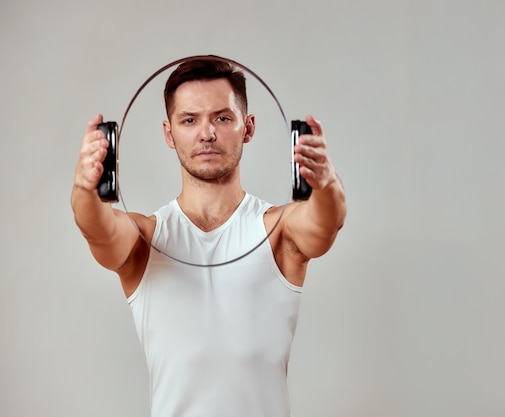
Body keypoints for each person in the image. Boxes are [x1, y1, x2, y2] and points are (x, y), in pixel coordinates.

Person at [71, 58, 346, 417]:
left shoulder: (279, 232)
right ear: (169, 134)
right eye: (189, 120)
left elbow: (327, 223)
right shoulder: (146, 238)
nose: (207, 133)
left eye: (222, 117)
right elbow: (97, 228)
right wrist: (83, 186)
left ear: (247, 127)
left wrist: (326, 182)